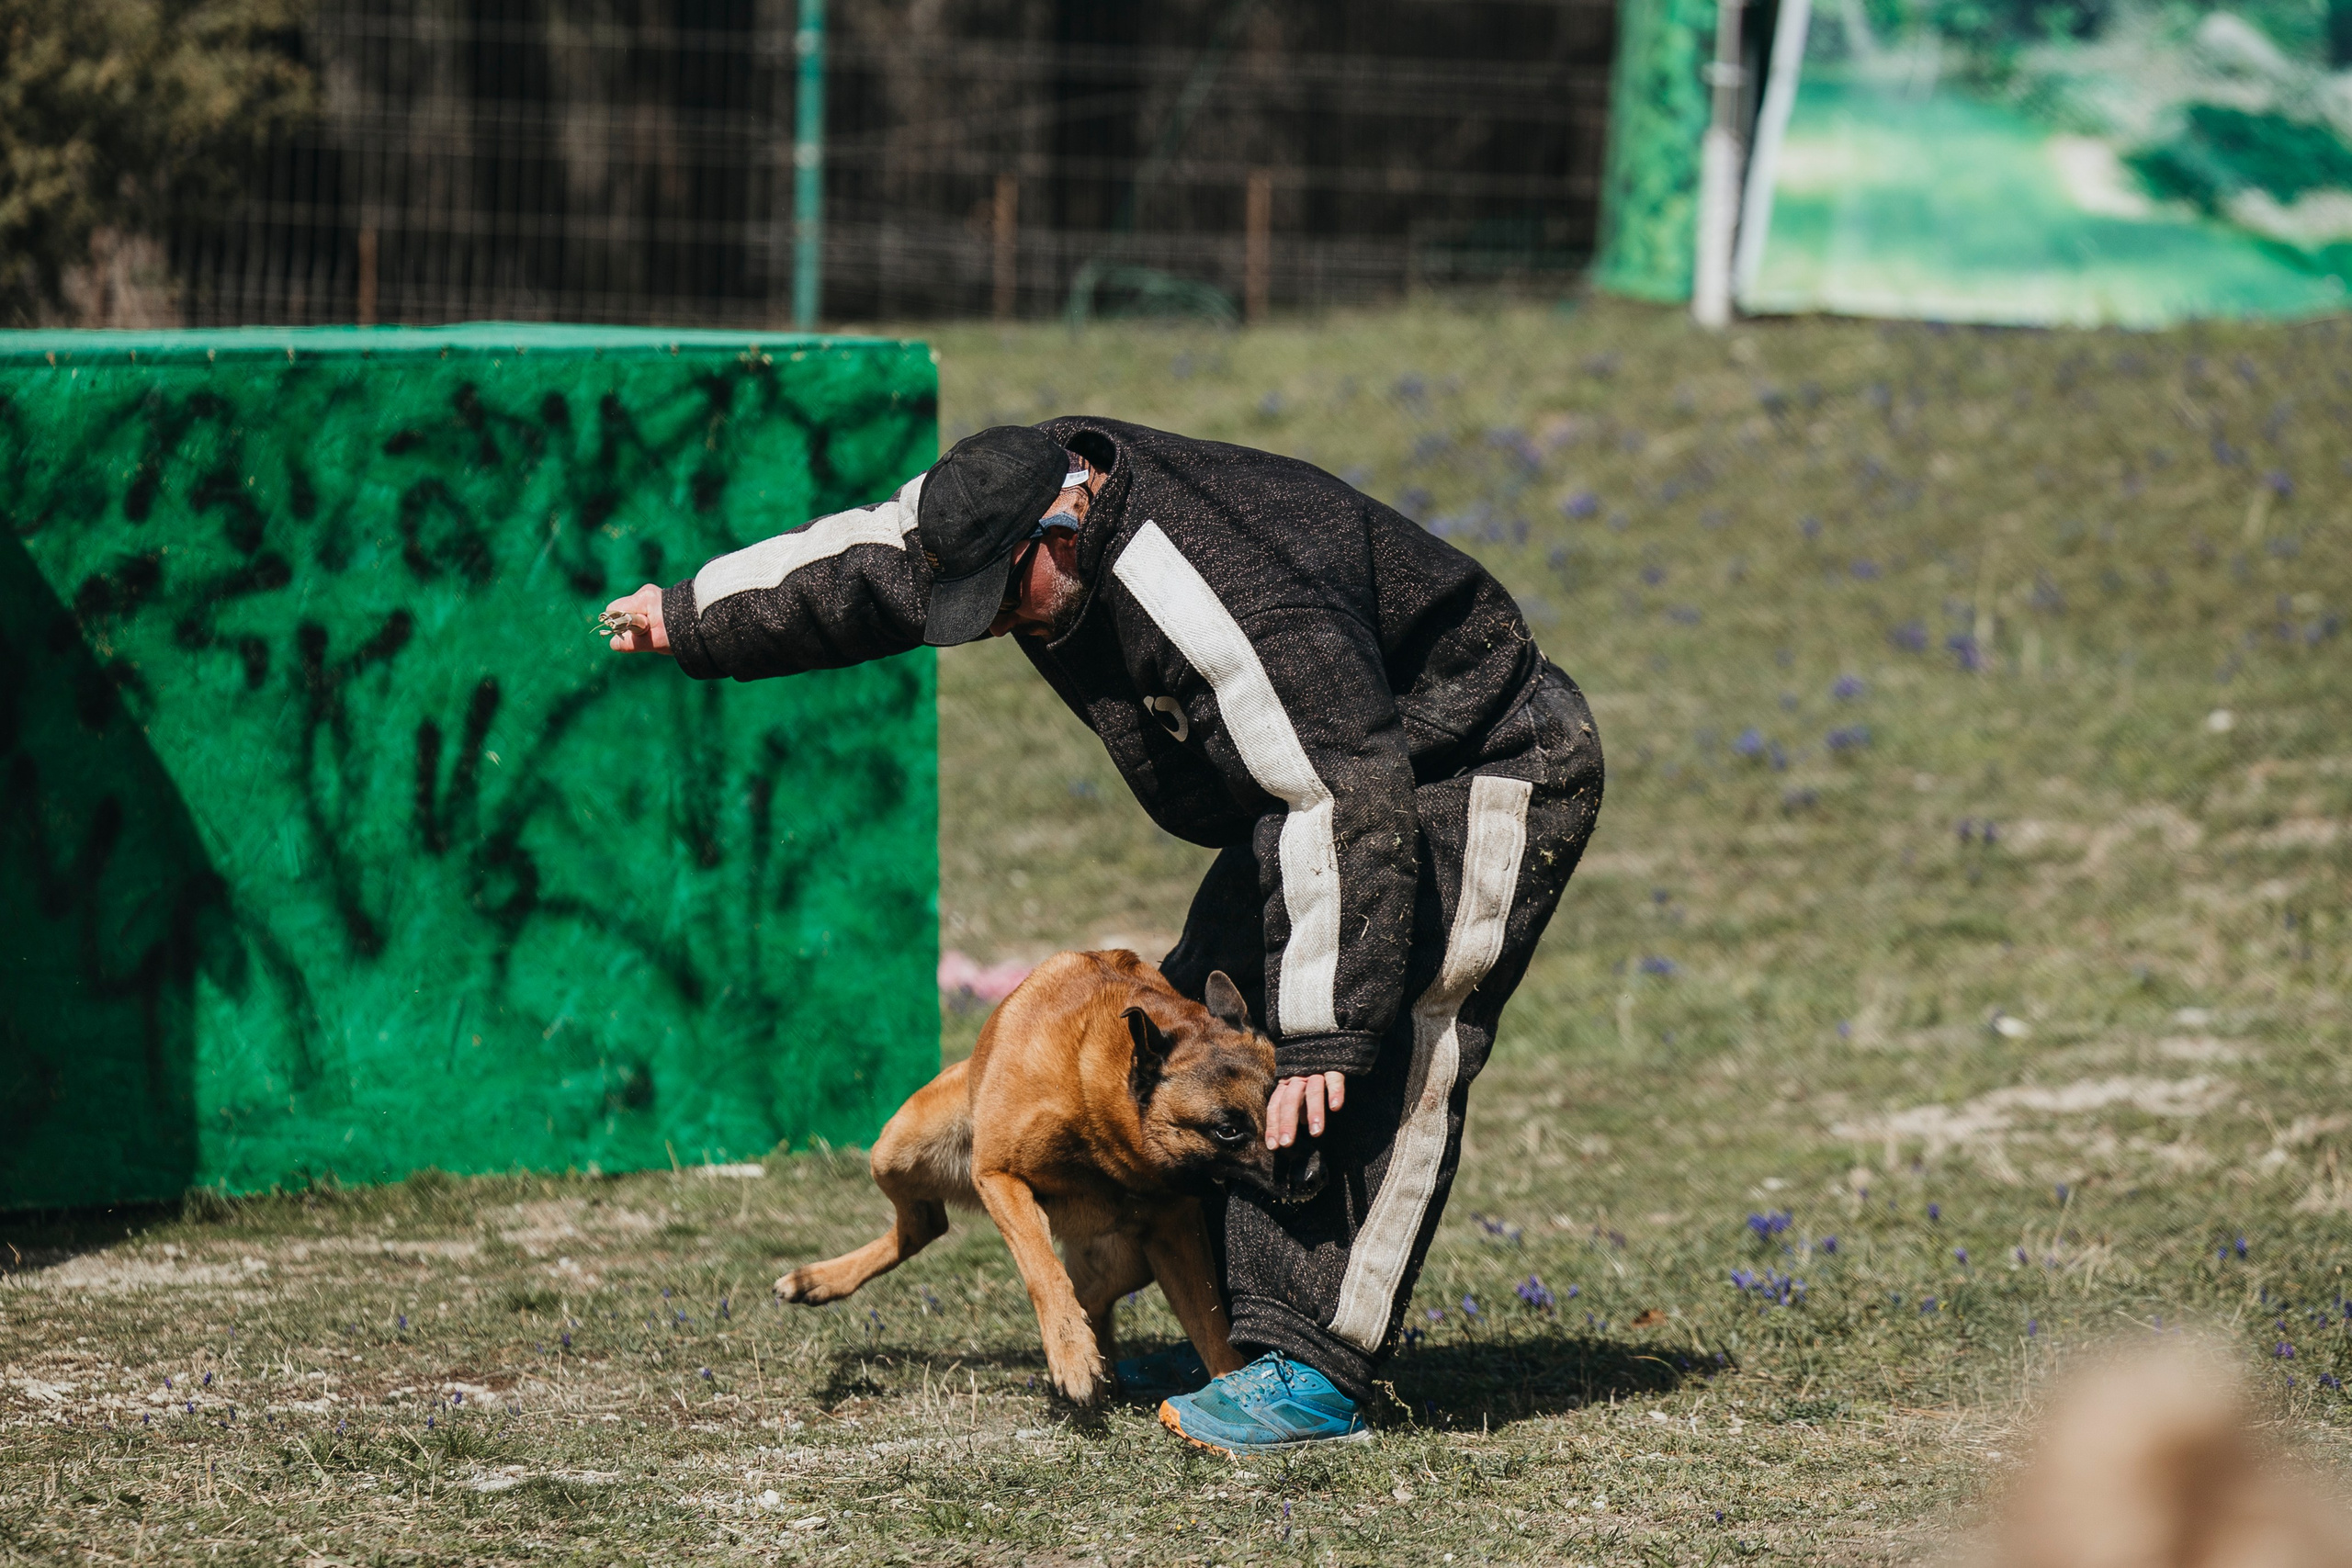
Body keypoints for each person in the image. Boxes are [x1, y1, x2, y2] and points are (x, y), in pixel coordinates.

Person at [604, 420, 1602, 1453]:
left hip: (1470, 768)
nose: (989, 624)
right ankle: (1241, 1334)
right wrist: (691, 616)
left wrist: (1329, 1028)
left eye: (1002, 598)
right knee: (1197, 1052)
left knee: (1374, 1051)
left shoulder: (1222, 595)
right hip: (1316, 802)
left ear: (1063, 532)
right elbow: (862, 562)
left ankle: (1315, 1370)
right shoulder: (1000, 496)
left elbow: (1344, 794)